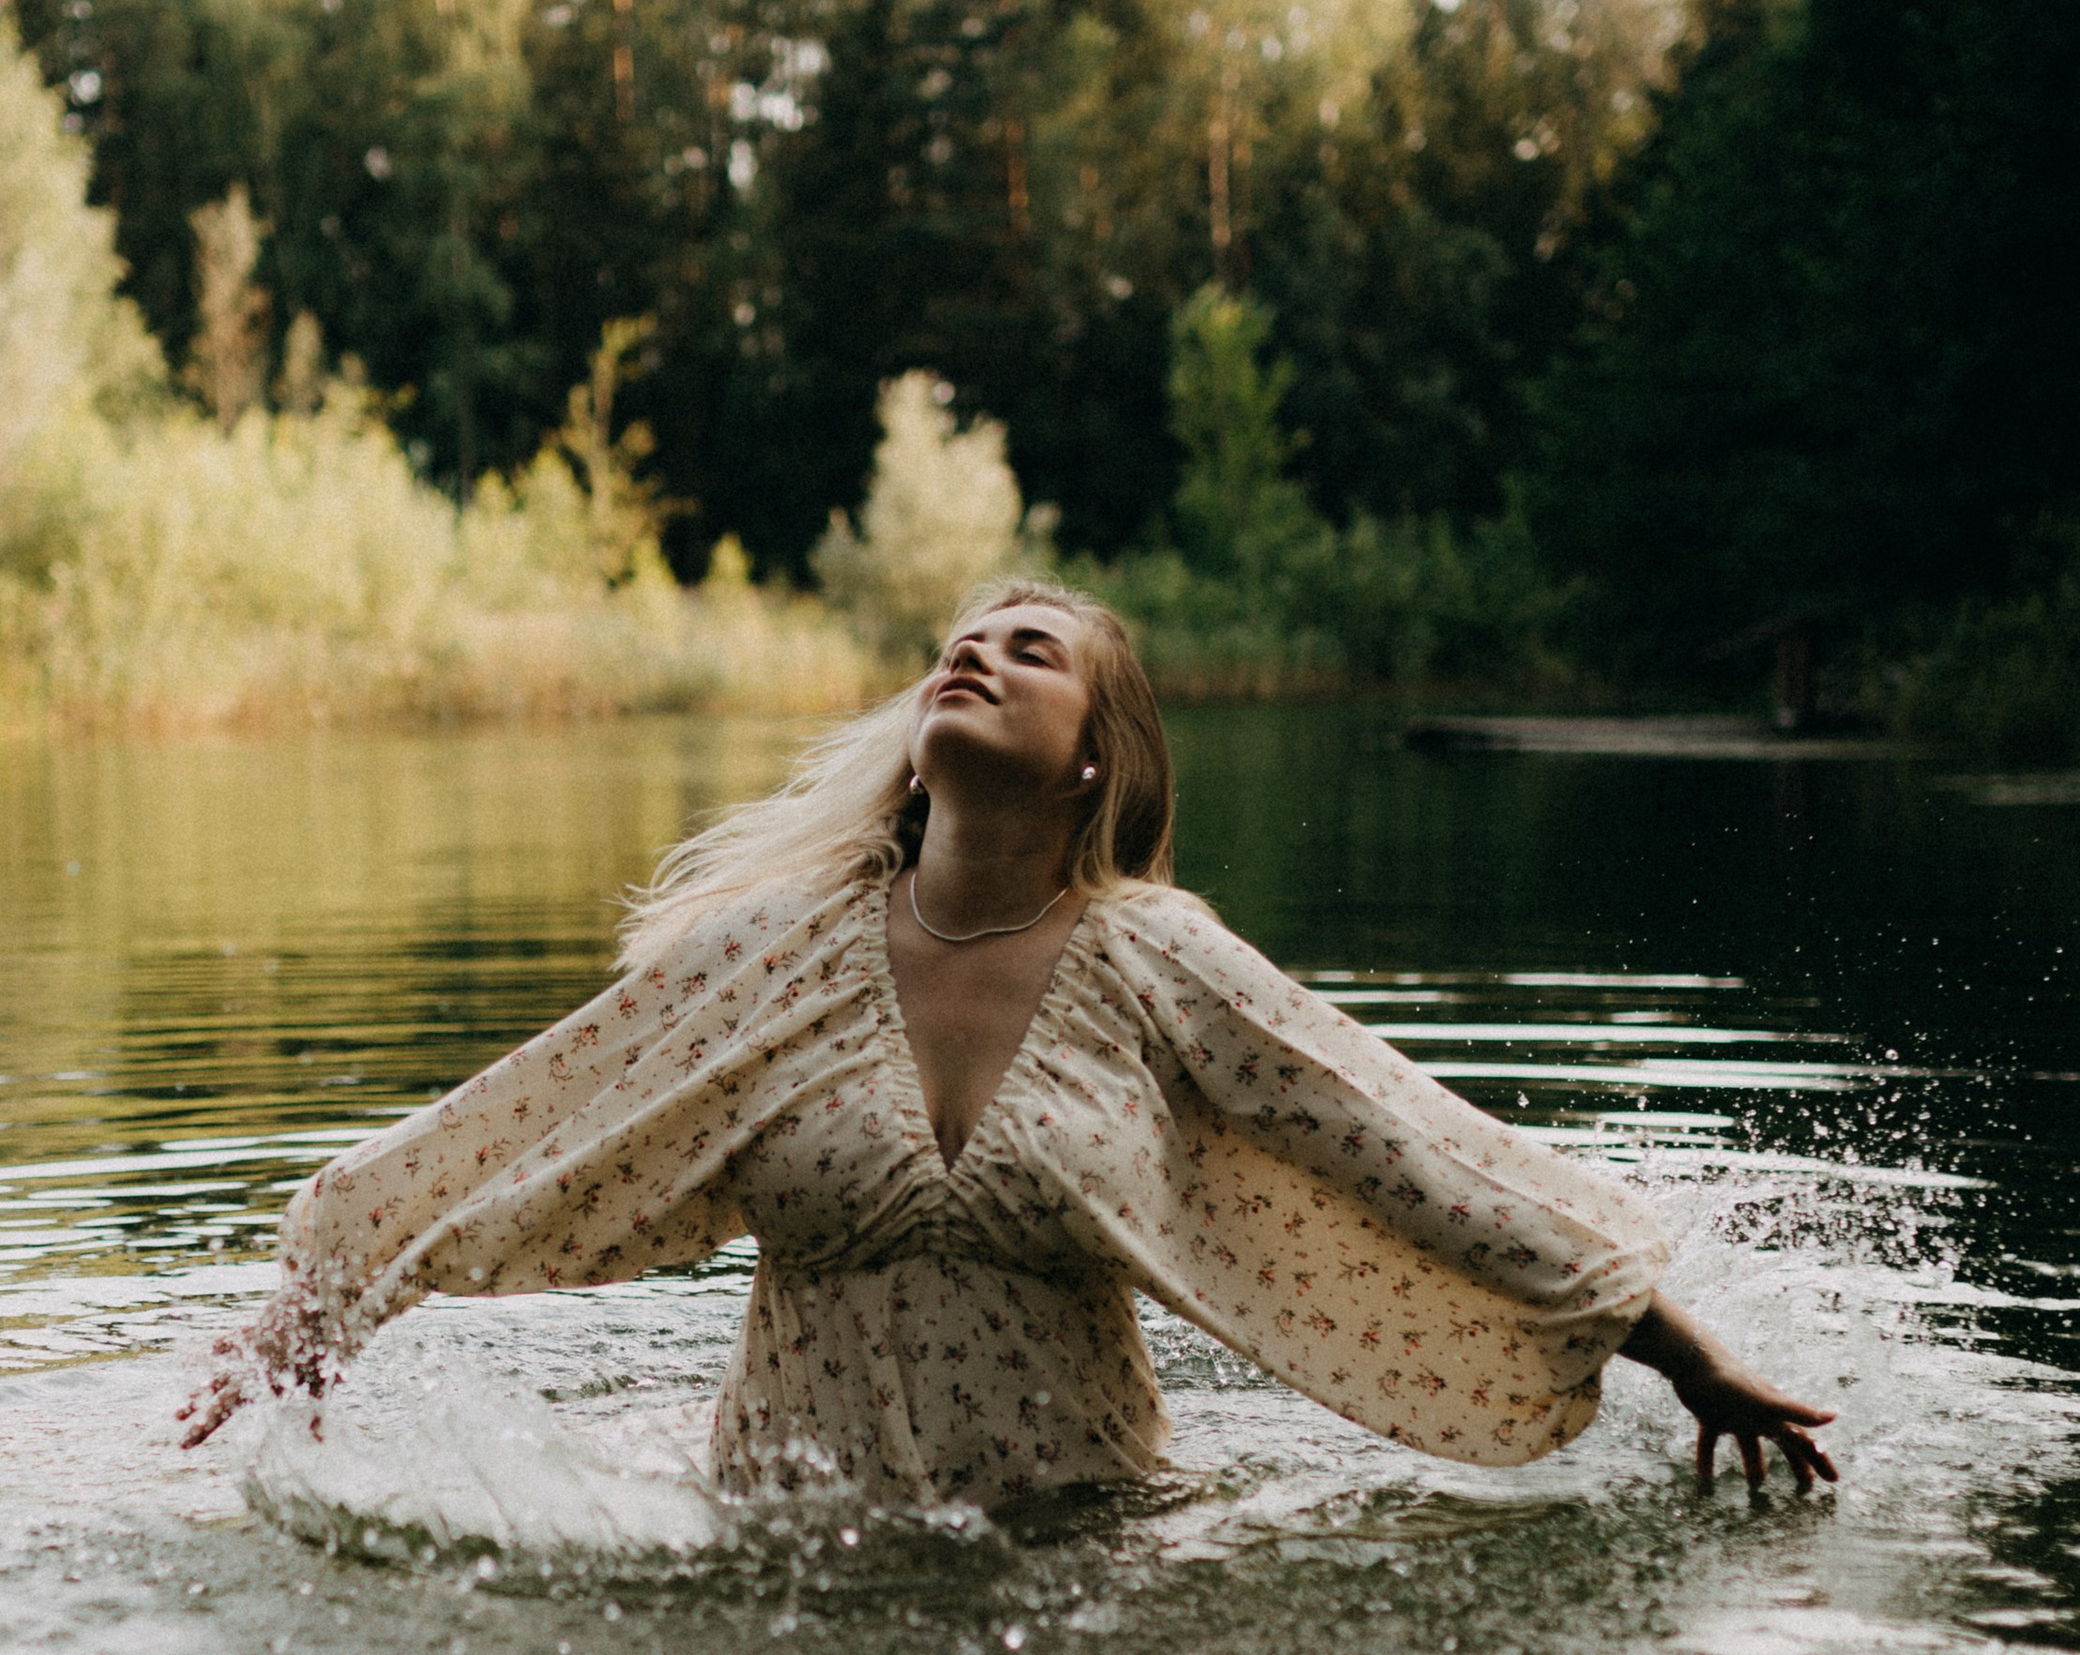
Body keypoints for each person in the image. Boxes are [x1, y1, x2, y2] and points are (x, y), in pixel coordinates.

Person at [181, 579, 1836, 1505]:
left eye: (1027, 646)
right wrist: (321, 1300)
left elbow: (1404, 1147)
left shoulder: (1158, 964)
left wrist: (1681, 1353)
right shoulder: (774, 952)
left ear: (1095, 759)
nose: (969, 653)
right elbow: (539, 1109)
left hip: (1091, 1560)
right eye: (955, 643)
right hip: (784, 1560)